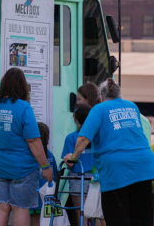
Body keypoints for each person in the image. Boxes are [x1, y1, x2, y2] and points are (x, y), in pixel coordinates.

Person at [64, 78, 154, 226]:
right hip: (143, 165)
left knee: (117, 216)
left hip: (116, 168)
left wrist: (73, 157)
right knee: (142, 216)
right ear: (119, 94)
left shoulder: (99, 109)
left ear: (101, 97)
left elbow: (82, 139)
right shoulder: (132, 106)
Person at [0, 68, 53, 226]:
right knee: (20, 208)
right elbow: (34, 141)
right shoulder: (23, 107)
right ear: (23, 86)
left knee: (1, 206)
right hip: (21, 169)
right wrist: (45, 166)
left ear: (3, 82)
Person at [61, 104, 94, 226]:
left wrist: (66, 159)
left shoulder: (71, 138)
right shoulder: (95, 136)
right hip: (95, 179)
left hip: (77, 178)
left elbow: (70, 164)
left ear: (75, 118)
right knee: (97, 215)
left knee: (81, 215)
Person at [30, 122, 58, 226]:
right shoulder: (50, 154)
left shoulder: (31, 154)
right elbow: (55, 174)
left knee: (32, 219)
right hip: (46, 196)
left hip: (31, 194)